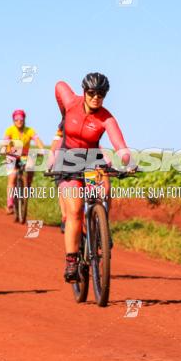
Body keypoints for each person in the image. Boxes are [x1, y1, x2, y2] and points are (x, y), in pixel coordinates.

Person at [52, 73, 131, 283]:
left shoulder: (106, 118)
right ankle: (71, 260)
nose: (96, 97)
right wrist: (63, 114)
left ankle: (101, 230)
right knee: (75, 210)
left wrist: (126, 159)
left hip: (92, 158)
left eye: (101, 94)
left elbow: (119, 143)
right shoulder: (71, 103)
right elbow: (59, 86)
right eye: (92, 93)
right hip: (68, 157)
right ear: (84, 91)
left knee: (103, 192)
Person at [1, 109, 44, 214]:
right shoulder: (10, 130)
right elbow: (5, 143)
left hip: (25, 156)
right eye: (16, 119)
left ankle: (27, 188)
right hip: (12, 156)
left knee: (30, 169)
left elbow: (37, 140)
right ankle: (10, 204)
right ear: (13, 120)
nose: (19, 121)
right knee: (13, 176)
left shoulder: (30, 130)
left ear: (24, 119)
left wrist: (41, 149)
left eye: (21, 119)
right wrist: (3, 149)